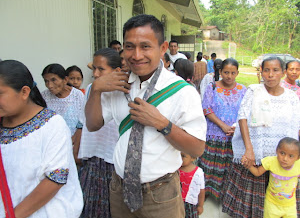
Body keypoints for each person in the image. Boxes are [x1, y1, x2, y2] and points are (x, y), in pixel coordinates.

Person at [85, 14, 206, 218]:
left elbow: (197, 148)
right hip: (119, 188)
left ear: (163, 48)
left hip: (160, 194)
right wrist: (96, 90)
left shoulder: (182, 92)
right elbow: (93, 124)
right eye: (130, 46)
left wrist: (161, 123)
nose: (136, 55)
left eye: (145, 46)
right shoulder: (117, 84)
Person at [0, 60, 83, 217]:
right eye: (46, 81)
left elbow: (55, 179)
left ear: (25, 92)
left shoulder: (52, 125)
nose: (50, 85)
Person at [222, 57, 300, 218]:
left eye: (275, 70)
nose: (270, 75)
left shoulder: (292, 97)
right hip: (255, 158)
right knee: (250, 207)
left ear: (283, 73)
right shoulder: (254, 91)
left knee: (280, 204)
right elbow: (242, 117)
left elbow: (295, 127)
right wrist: (249, 149)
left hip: (282, 161)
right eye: (266, 70)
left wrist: (293, 156)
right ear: (261, 72)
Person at [78, 48, 121, 218]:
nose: (95, 74)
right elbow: (85, 123)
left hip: (114, 162)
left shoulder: (124, 92)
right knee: (89, 208)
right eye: (93, 69)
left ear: (117, 71)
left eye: (101, 69)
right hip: (92, 159)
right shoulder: (90, 89)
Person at [198, 58, 247, 200]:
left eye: (233, 73)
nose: (229, 76)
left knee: (228, 168)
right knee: (209, 165)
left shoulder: (243, 90)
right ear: (220, 72)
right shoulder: (212, 87)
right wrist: (222, 125)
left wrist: (235, 127)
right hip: (213, 136)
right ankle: (205, 193)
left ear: (237, 73)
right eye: (226, 72)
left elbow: (245, 112)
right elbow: (206, 109)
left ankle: (226, 196)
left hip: (234, 137)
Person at [241, 137, 300, 218]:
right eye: (282, 153)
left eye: (291, 156)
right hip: (272, 204)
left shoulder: (298, 165)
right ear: (276, 151)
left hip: (290, 206)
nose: (285, 159)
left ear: (297, 158)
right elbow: (257, 172)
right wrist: (247, 164)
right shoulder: (271, 162)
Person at [41, 64, 85, 164]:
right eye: (46, 81)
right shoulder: (44, 96)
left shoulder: (77, 95)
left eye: (53, 80)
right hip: (52, 147)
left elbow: (82, 122)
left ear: (65, 80)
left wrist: (73, 142)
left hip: (74, 145)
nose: (49, 85)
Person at [179, 152, 205, 218]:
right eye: (178, 155)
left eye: (183, 156)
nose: (179, 158)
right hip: (177, 203)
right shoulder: (175, 169)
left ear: (193, 158)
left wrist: (200, 206)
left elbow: (201, 191)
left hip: (191, 205)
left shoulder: (199, 172)